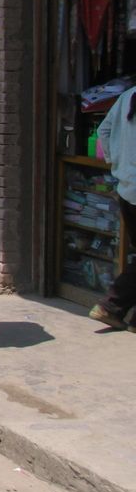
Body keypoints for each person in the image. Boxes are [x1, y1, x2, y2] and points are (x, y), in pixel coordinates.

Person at [94, 85, 136, 329]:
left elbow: (104, 130)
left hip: (127, 188)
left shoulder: (127, 95)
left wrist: (116, 163)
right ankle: (111, 305)